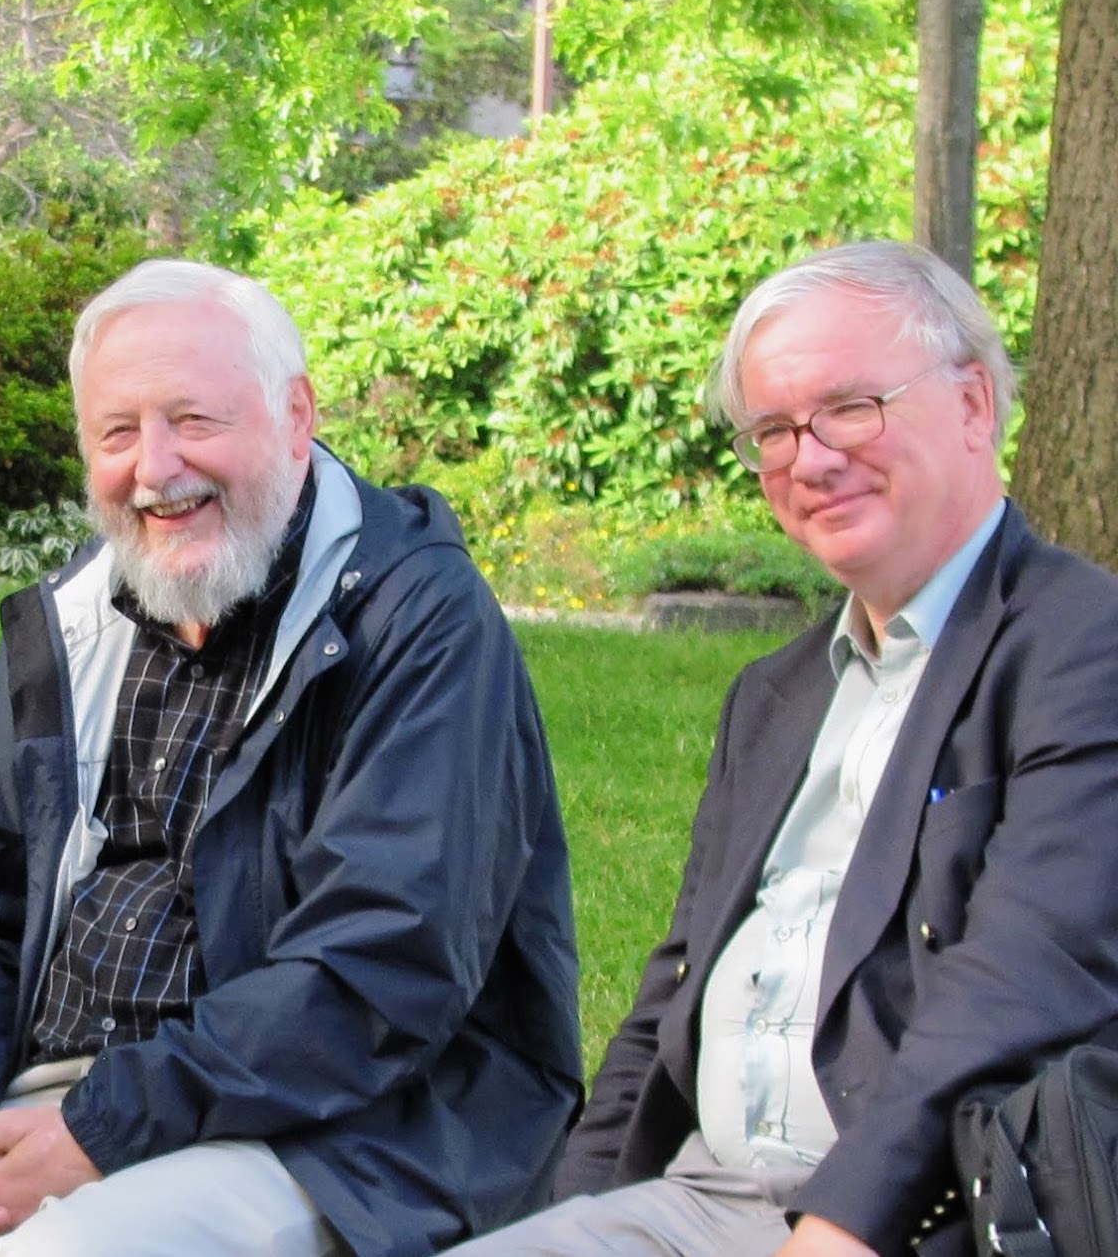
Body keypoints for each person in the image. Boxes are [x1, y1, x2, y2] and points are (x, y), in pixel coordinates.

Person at [0, 259, 584, 1257]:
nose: (155, 468)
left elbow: (377, 972)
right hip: (67, 1098)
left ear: (295, 417)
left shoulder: (417, 619)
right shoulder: (79, 621)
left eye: (193, 421)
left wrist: (90, 1137)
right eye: (117, 432)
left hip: (346, 1132)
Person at [448, 240, 1118, 1257]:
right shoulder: (774, 694)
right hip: (699, 1200)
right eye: (775, 429)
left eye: (851, 407)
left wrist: (842, 1222)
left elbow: (1025, 977)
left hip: (934, 1212)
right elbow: (670, 994)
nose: (810, 457)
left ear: (974, 404)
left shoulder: (1081, 648)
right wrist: (568, 1213)